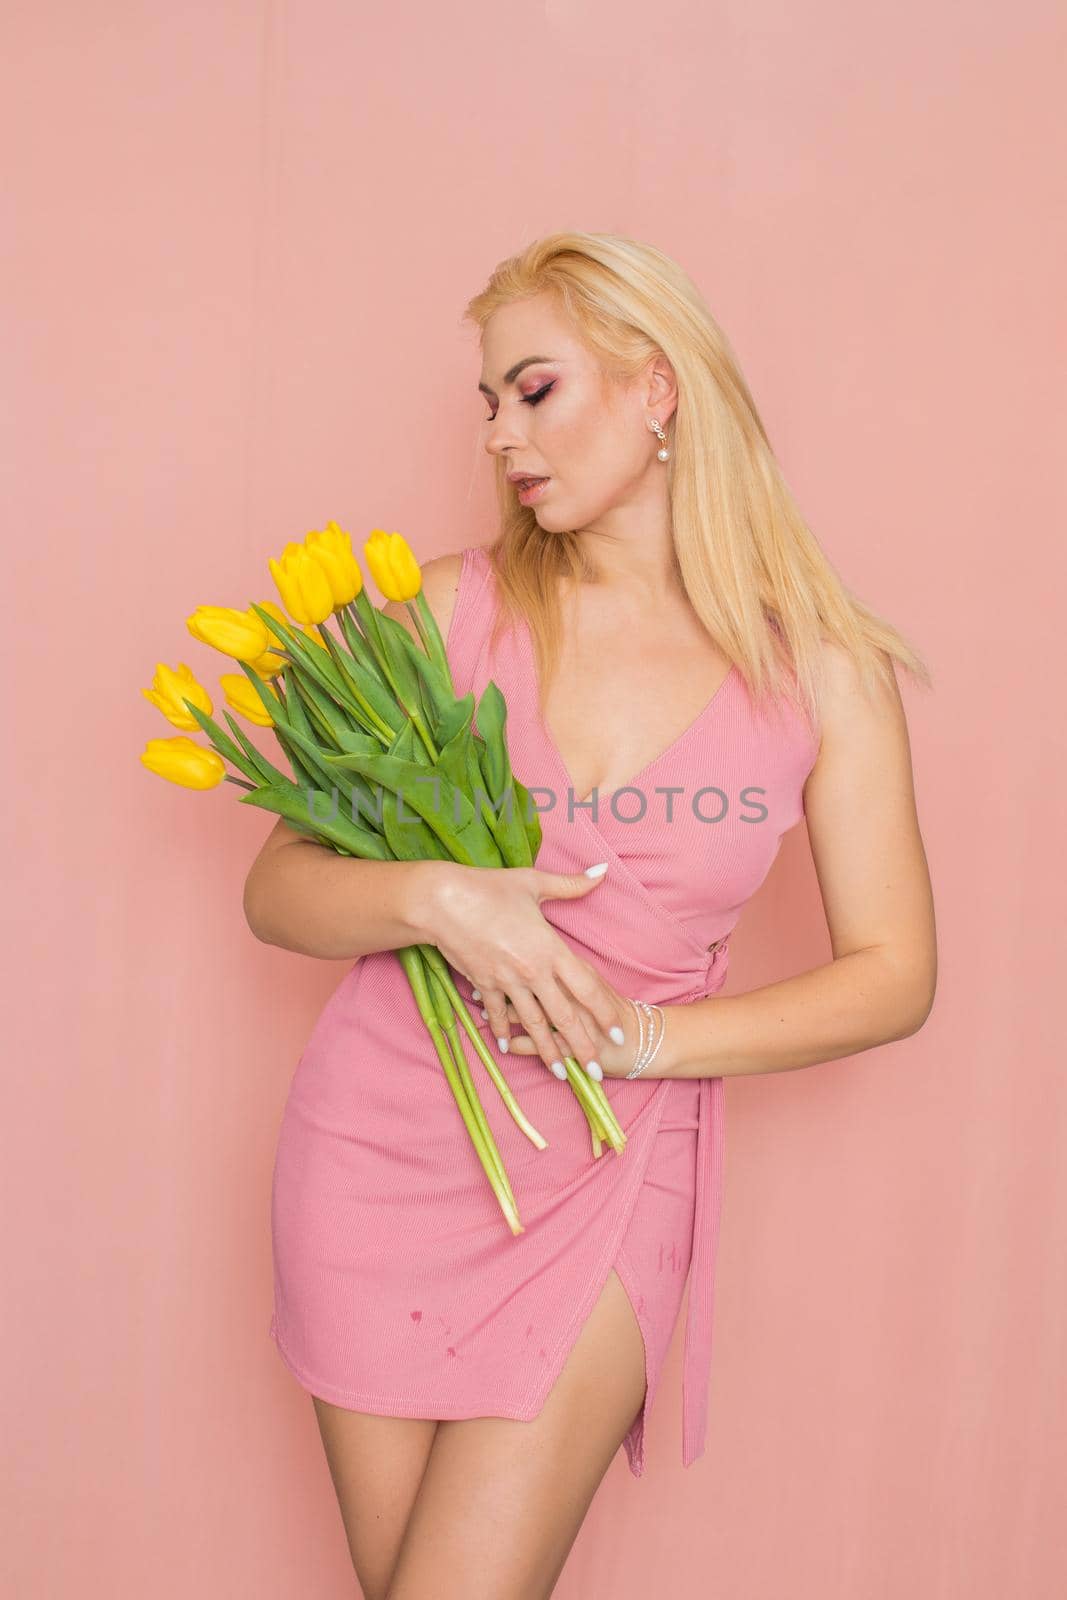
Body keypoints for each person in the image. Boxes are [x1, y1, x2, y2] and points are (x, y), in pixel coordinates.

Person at [244, 232, 936, 1600]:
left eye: (535, 389)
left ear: (657, 386)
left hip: (612, 1167)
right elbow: (278, 888)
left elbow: (895, 974)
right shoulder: (445, 611)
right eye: (489, 403)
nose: (503, 433)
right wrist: (443, 900)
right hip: (378, 1147)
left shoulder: (825, 670)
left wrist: (644, 1043)